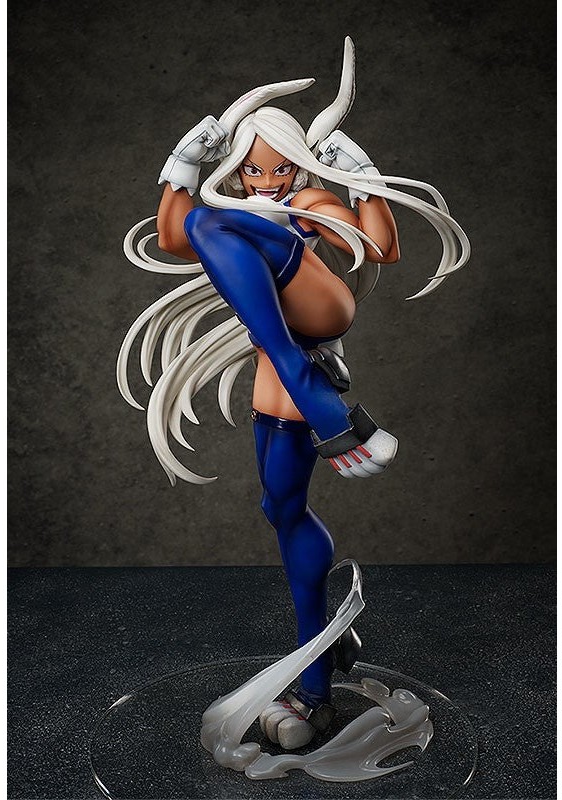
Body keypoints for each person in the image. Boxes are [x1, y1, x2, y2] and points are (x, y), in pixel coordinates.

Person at [117, 38, 469, 749]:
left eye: (280, 167)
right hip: (280, 366)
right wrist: (182, 166)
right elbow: (170, 237)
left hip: (319, 309)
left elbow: (381, 248)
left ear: (299, 165)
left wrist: (361, 180)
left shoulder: (302, 198)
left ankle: (313, 693)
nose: (268, 180)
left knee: (209, 220)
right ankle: (328, 642)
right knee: (281, 507)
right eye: (253, 169)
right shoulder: (233, 203)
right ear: (236, 166)